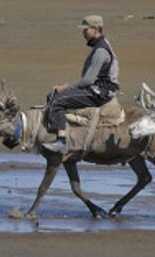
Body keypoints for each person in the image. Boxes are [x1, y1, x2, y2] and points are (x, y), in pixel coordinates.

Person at [42, 14, 120, 154]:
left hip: (99, 93)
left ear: (96, 29)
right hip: (97, 89)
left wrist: (66, 87)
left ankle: (61, 142)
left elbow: (87, 81)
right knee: (53, 95)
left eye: (86, 29)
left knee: (58, 100)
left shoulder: (101, 51)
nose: (83, 32)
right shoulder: (100, 45)